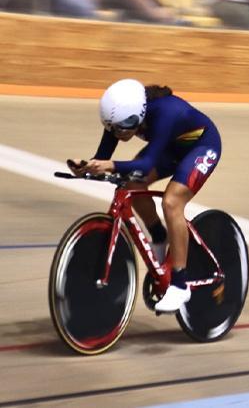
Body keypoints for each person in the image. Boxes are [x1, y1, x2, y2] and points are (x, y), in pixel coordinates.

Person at [68, 79, 223, 312]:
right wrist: (87, 166)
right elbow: (102, 156)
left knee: (172, 202)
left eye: (124, 127)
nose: (119, 134)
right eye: (114, 128)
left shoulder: (166, 112)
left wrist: (108, 165)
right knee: (132, 185)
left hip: (202, 147)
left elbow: (147, 161)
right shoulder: (120, 117)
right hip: (171, 147)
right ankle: (160, 236)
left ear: (140, 114)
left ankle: (180, 286)